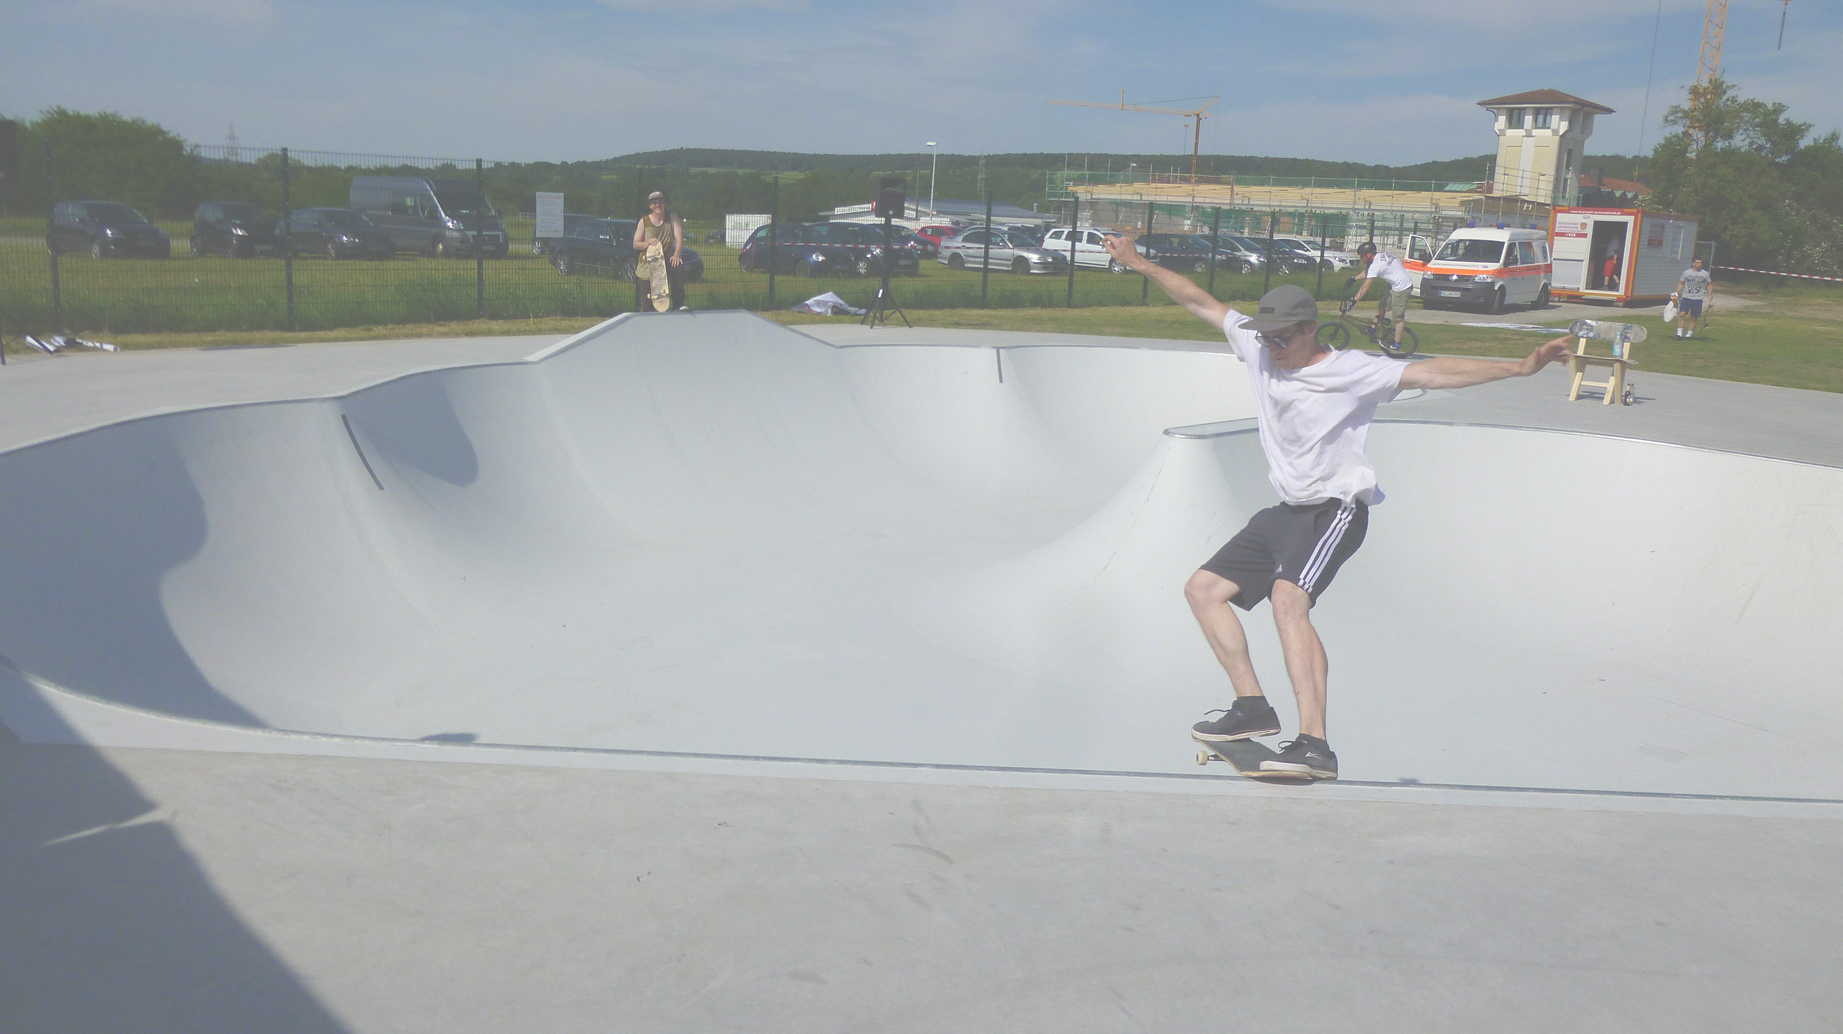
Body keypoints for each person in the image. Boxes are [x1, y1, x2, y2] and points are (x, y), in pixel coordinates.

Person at [1100, 233, 1571, 779]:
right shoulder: (1258, 347)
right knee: (1203, 590)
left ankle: (1315, 745)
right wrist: (1138, 262)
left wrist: (1518, 368)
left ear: (1310, 330)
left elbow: (1433, 371)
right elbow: (1198, 300)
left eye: (1283, 339)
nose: (1272, 349)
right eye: (1266, 338)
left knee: (1287, 601)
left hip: (1336, 509)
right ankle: (1252, 707)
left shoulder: (1352, 370)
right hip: (1287, 511)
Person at [1348, 242, 1412, 350]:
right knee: (1382, 305)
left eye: (1362, 256)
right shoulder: (1379, 257)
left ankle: (1396, 344)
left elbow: (1365, 286)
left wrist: (1353, 301)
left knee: (1398, 317)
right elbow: (1368, 272)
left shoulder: (1376, 265)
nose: (1361, 259)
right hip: (1395, 284)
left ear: (1369, 254)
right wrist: (1353, 279)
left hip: (1403, 287)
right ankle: (1373, 328)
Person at [631, 190, 688, 311]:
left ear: (665, 203)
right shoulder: (644, 221)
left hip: (663, 262)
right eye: (654, 203)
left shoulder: (672, 217)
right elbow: (635, 244)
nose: (658, 205)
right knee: (648, 303)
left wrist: (677, 255)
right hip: (647, 264)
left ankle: (678, 303)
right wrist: (647, 243)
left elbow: (679, 237)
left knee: (677, 265)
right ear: (650, 206)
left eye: (660, 202)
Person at [1673, 256, 1713, 339]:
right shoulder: (1686, 273)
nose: (1700, 264)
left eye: (1701, 263)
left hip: (1697, 298)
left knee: (1694, 317)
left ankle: (1689, 334)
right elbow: (1681, 283)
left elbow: (1709, 284)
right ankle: (1679, 333)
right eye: (1698, 262)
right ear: (1693, 263)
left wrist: (1710, 294)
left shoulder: (1705, 274)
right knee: (1682, 314)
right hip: (1686, 297)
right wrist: (1677, 292)